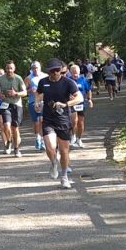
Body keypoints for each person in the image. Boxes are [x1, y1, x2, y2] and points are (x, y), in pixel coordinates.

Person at [35, 58, 83, 189]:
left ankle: (64, 176)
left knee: (64, 150)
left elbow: (79, 97)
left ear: (61, 70)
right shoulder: (43, 82)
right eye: (52, 71)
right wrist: (37, 103)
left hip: (62, 119)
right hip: (48, 119)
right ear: (48, 71)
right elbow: (38, 93)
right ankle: (53, 162)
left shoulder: (68, 82)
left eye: (57, 70)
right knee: (50, 147)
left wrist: (66, 104)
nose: (55, 73)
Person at [0, 60, 27, 157]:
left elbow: (24, 92)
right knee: (6, 126)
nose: (9, 70)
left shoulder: (18, 78)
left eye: (11, 68)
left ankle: (16, 149)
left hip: (16, 104)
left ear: (14, 69)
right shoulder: (0, 79)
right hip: (5, 105)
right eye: (8, 68)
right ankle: (9, 140)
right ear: (5, 68)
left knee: (15, 128)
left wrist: (15, 93)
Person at [24, 60, 48, 150]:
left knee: (43, 120)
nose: (35, 69)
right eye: (33, 68)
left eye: (37, 68)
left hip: (44, 101)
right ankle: (37, 137)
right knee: (36, 121)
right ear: (31, 69)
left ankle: (43, 140)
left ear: (40, 68)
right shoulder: (28, 78)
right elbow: (23, 91)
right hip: (33, 102)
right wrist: (30, 90)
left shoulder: (45, 76)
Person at [69, 64, 93, 148]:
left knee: (81, 122)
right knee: (74, 121)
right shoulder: (68, 80)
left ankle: (79, 139)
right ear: (70, 72)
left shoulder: (83, 80)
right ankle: (73, 136)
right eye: (73, 71)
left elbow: (88, 90)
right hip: (72, 103)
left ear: (79, 72)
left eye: (76, 71)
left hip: (81, 104)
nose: (75, 73)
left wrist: (89, 99)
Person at [0, 68, 9, 150]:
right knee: (2, 126)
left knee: (8, 127)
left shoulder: (9, 82)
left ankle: (10, 140)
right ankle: (6, 145)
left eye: (1, 74)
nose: (0, 76)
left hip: (9, 107)